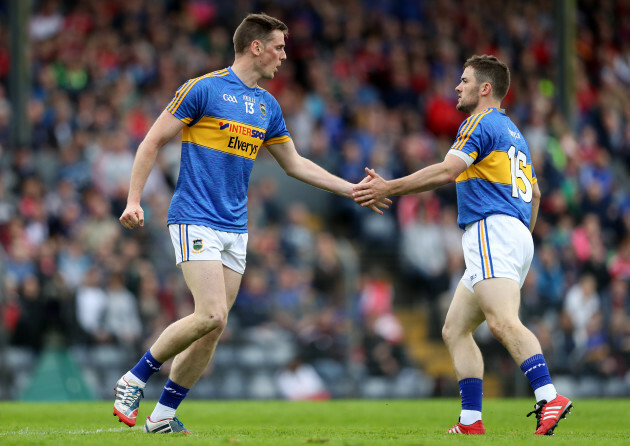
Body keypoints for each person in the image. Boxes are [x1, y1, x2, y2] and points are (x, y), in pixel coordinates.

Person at [114, 13, 390, 434]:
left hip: (235, 227)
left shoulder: (268, 105)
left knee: (214, 327)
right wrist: (134, 199)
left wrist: (351, 188)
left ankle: (162, 417)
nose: (284, 55)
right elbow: (152, 140)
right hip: (195, 217)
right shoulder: (203, 88)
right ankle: (133, 378)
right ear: (256, 46)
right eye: (278, 47)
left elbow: (295, 164)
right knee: (209, 313)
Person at [352, 55, 572, 436]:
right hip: (515, 233)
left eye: (465, 80)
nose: (458, 86)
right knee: (454, 328)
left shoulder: (479, 122)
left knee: (503, 322)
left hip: (492, 229)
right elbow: (534, 192)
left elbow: (446, 170)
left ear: (485, 88)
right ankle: (471, 420)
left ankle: (548, 396)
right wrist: (522, 240)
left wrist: (389, 186)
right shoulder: (512, 131)